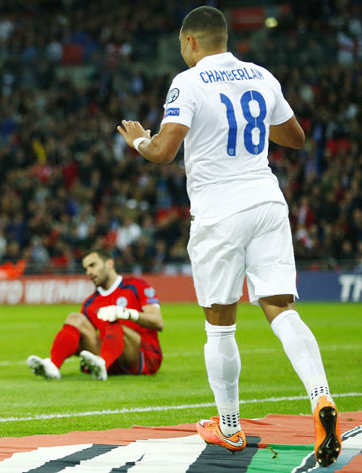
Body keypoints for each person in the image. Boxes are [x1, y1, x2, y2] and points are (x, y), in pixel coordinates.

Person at [116, 6, 341, 466]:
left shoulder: (189, 81)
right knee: (281, 309)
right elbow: (295, 137)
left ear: (192, 43)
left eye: (183, 45)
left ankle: (231, 428)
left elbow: (163, 150)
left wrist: (138, 140)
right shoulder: (261, 75)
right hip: (266, 201)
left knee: (220, 323)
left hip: (219, 210)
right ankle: (321, 397)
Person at [27, 249, 164, 381]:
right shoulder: (90, 303)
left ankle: (103, 363)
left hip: (143, 356)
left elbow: (158, 322)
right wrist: (65, 344)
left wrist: (125, 313)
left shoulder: (136, 285)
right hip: (112, 357)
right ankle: (53, 367)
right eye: (86, 269)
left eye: (92, 265)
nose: (89, 272)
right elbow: (83, 339)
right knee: (75, 319)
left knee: (112, 320)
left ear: (109, 264)